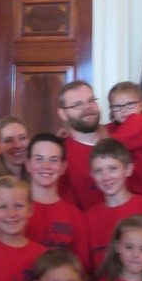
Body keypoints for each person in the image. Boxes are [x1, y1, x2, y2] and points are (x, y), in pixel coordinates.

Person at [84, 140, 142, 276]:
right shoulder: (88, 217)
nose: (106, 177)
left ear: (128, 169)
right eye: (98, 171)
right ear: (91, 175)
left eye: (113, 169)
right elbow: (88, 271)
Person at [24, 133, 88, 270]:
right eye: (39, 159)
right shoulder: (14, 212)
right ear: (28, 164)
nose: (46, 166)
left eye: (53, 160)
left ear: (63, 167)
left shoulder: (76, 217)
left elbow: (82, 271)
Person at [56, 81, 106, 212]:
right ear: (63, 114)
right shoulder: (60, 156)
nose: (88, 107)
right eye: (78, 104)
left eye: (91, 100)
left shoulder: (121, 138)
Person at [105, 82, 142, 196]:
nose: (123, 110)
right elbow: (99, 131)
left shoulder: (140, 121)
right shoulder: (119, 126)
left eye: (130, 104)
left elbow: (110, 145)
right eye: (117, 106)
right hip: (135, 190)